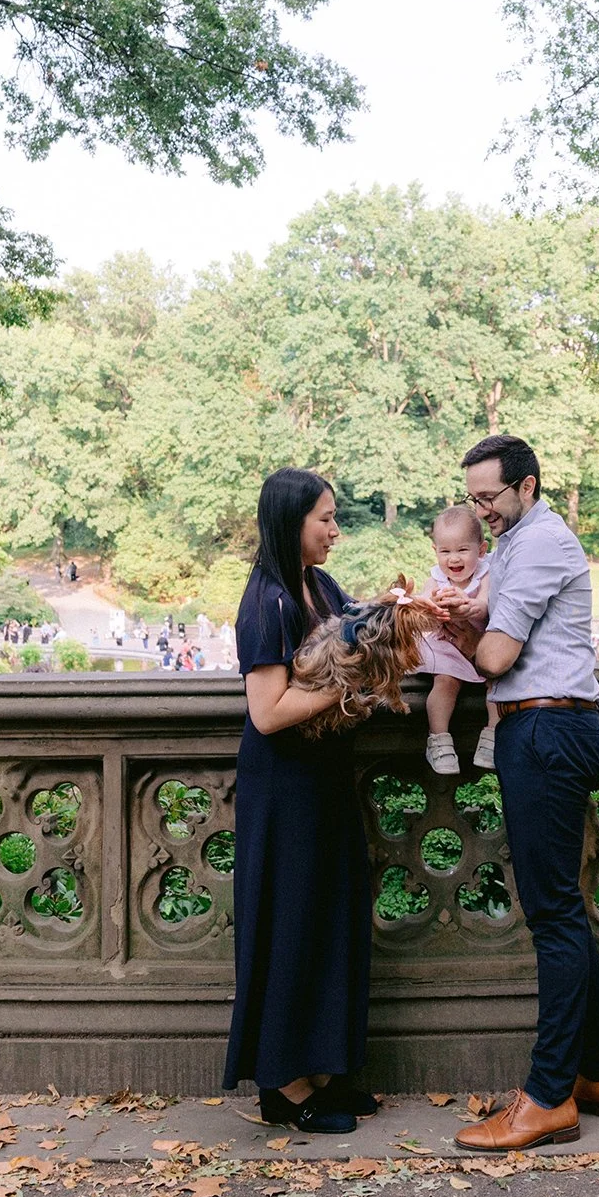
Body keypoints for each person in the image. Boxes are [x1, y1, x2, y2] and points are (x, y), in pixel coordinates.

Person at [436, 432, 599, 1153]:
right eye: (473, 499)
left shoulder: (544, 541)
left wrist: (463, 630)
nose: (480, 511)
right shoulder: (516, 542)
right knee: (561, 911)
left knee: (551, 917)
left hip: (549, 731)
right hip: (537, 728)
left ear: (527, 485)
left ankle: (548, 1096)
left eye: (489, 497)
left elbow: (494, 655)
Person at [223, 467, 374, 1135]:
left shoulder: (323, 587)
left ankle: (319, 1070)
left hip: (326, 782)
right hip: (282, 791)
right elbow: (267, 711)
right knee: (287, 927)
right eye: (325, 519)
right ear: (291, 523)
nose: (335, 530)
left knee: (327, 922)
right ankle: (282, 1086)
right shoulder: (267, 601)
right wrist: (348, 696)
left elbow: (355, 650)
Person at [415, 504, 498, 774]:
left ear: (481, 550)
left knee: (496, 684)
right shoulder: (437, 578)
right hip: (447, 645)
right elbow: (423, 608)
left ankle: (493, 735)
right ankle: (438, 739)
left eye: (462, 550)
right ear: (435, 552)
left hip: (480, 643)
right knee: (445, 682)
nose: (453, 559)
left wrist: (469, 606)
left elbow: (485, 604)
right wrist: (434, 605)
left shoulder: (486, 574)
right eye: (445, 551)